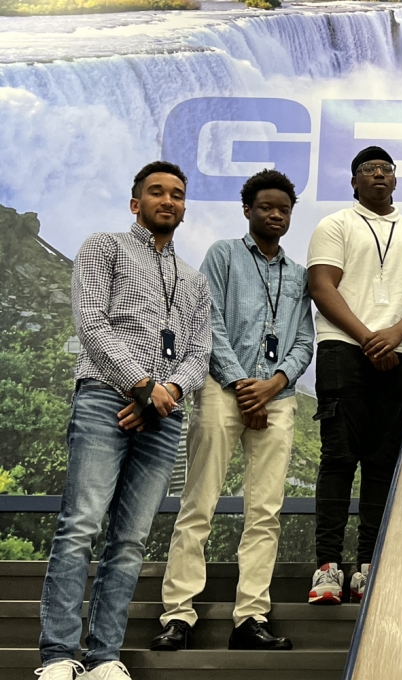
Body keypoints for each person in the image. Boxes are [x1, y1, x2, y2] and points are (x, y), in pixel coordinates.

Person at [36, 162, 212, 680]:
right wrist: (140, 385)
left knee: (131, 540)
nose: (168, 200)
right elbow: (91, 324)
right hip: (103, 399)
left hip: (164, 415)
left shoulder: (195, 280)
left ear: (184, 208)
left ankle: (103, 656)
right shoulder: (104, 247)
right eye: (156, 192)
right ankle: (58, 655)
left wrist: (167, 392)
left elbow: (199, 353)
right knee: (81, 526)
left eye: (177, 194)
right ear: (136, 203)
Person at [150, 170, 314, 653]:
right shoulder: (223, 255)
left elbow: (304, 341)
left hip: (277, 397)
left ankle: (251, 618)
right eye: (266, 207)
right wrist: (244, 387)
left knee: (266, 512)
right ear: (247, 210)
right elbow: (209, 322)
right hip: (223, 390)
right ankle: (178, 615)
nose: (276, 215)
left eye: (284, 209)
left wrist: (274, 385)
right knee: (198, 503)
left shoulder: (298, 274)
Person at [306, 146, 402, 605]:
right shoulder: (335, 225)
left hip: (401, 353)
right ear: (354, 181)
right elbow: (322, 286)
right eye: (369, 169)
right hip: (343, 348)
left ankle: (369, 566)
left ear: (396, 180)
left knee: (383, 463)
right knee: (339, 458)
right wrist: (369, 337)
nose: (379, 174)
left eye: (387, 169)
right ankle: (327, 567)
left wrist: (396, 333)